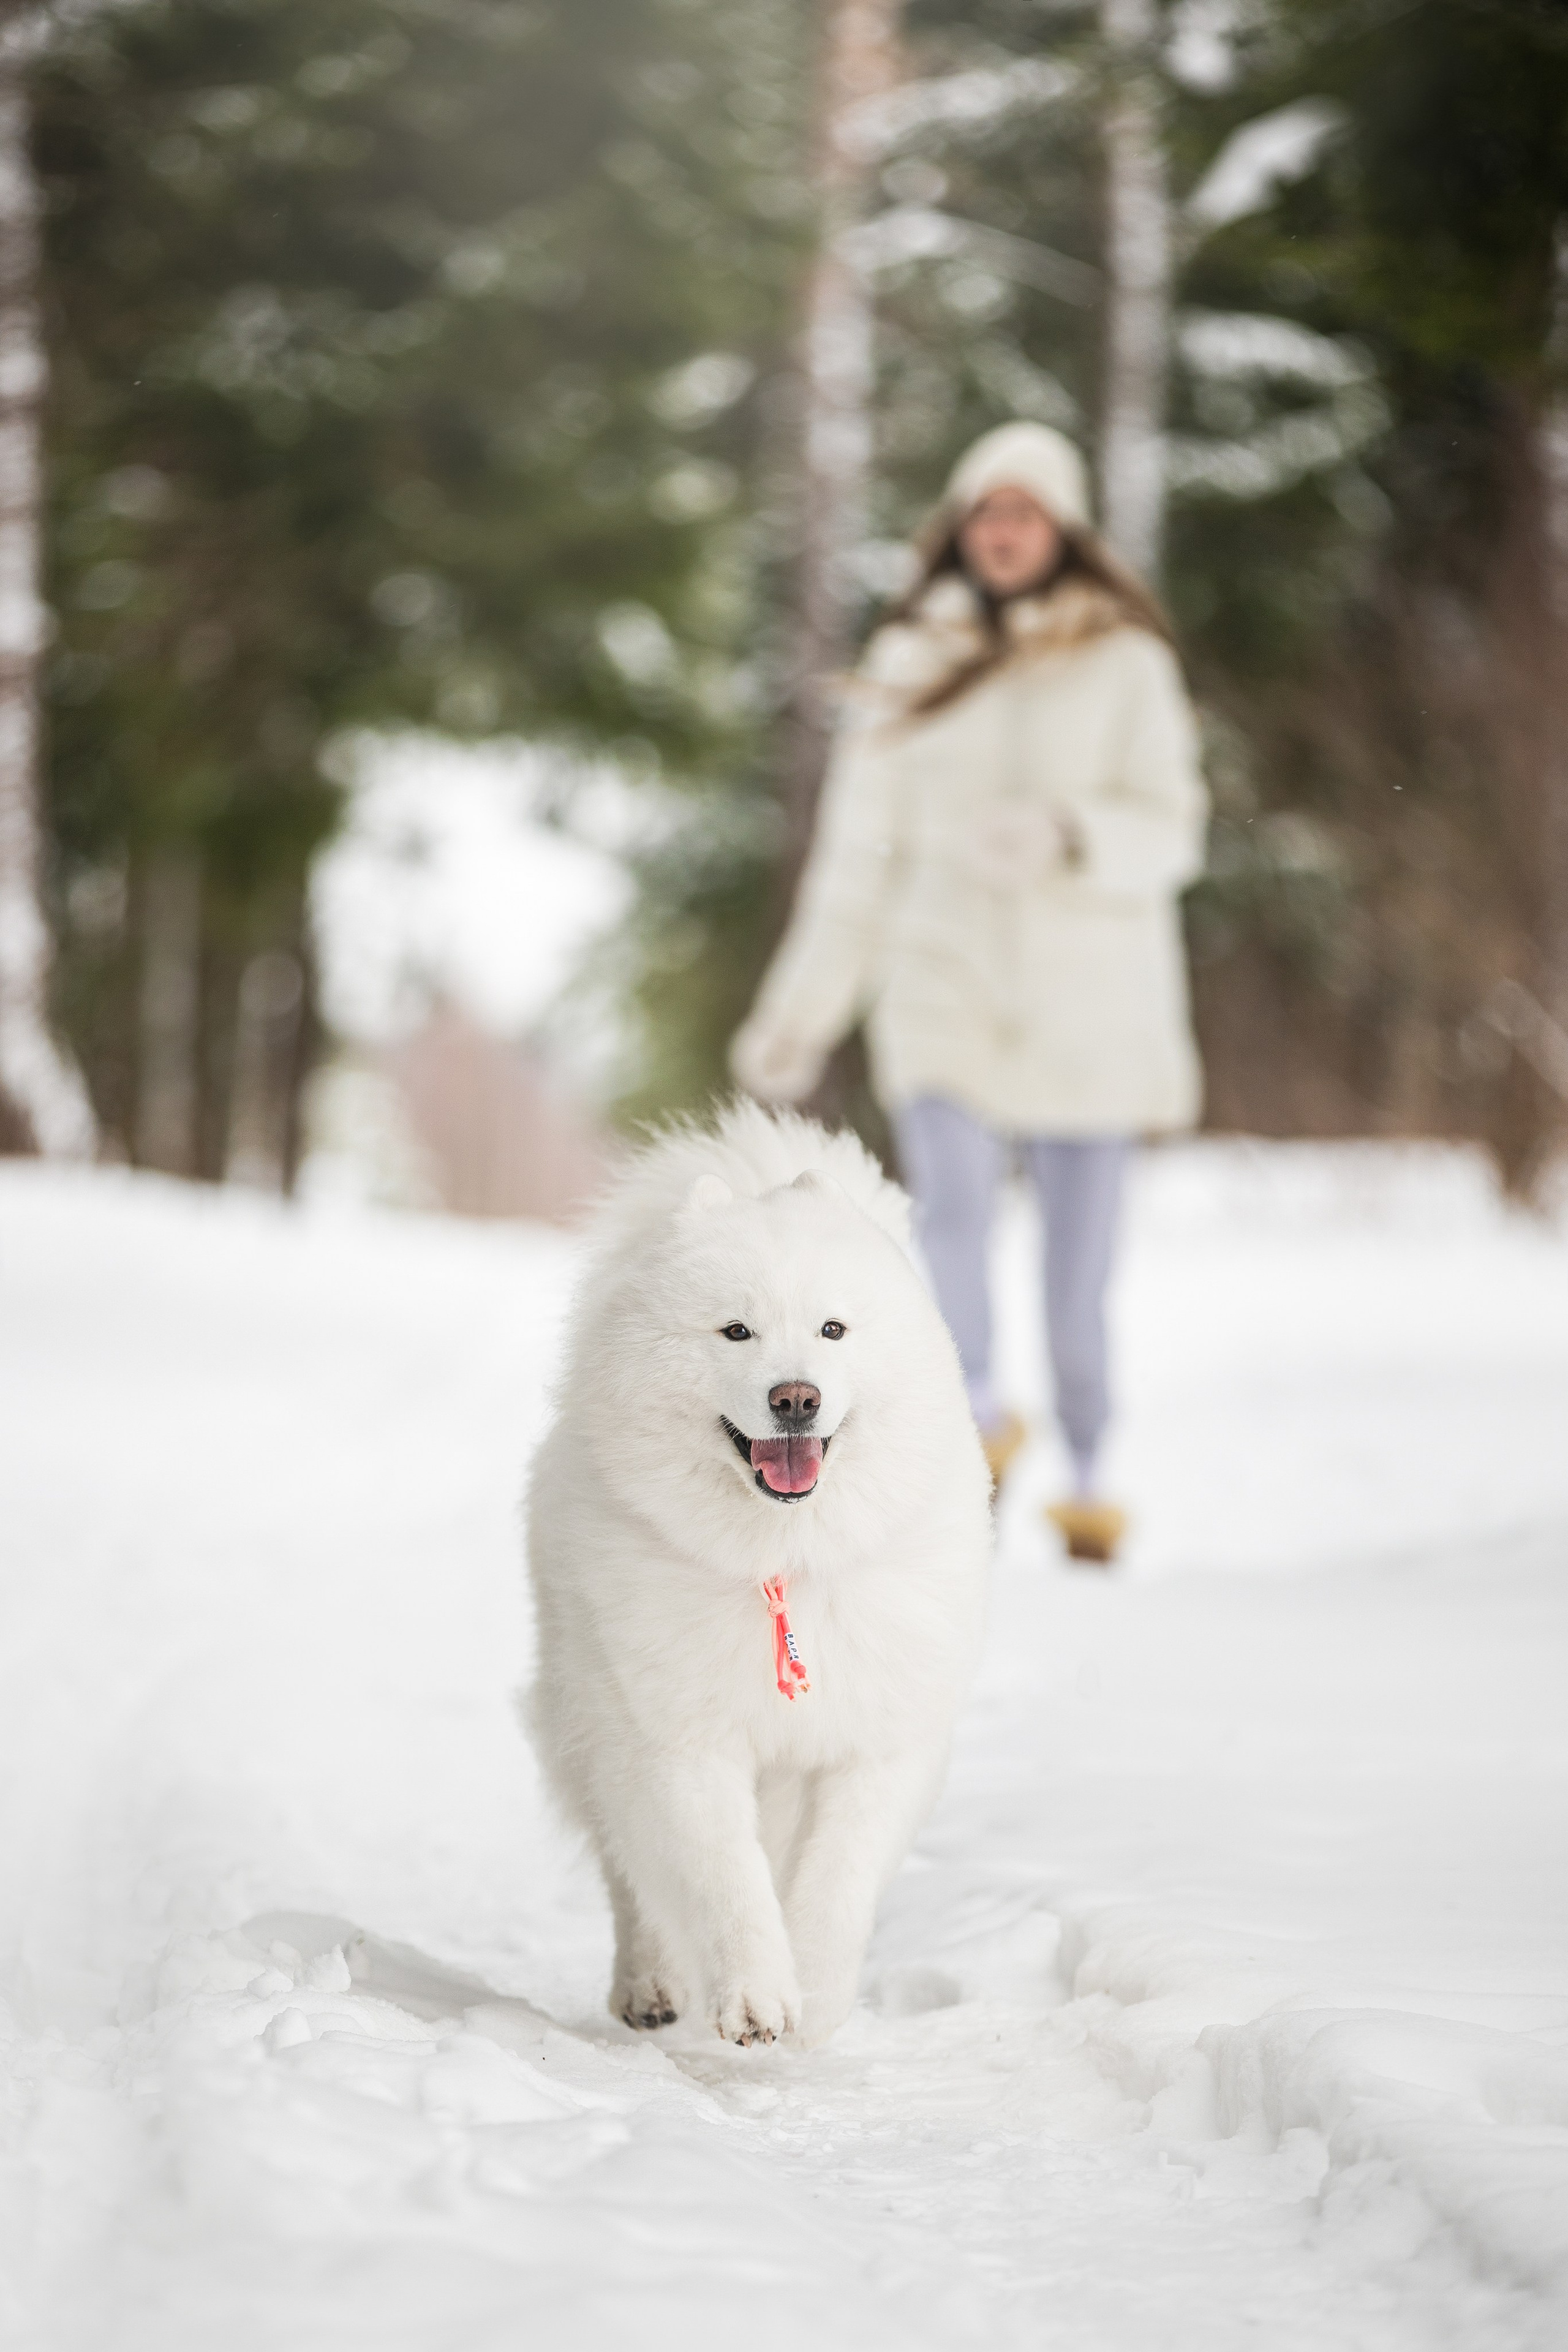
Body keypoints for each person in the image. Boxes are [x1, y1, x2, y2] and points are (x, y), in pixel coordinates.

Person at [729, 421, 1208, 1562]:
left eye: (1026, 514)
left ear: (1064, 533)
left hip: (1093, 1006)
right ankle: (973, 1417)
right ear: (959, 529)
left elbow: (1177, 832)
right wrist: (799, 1014)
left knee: (1078, 1272)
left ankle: (1089, 1467)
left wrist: (1066, 831)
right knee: (947, 1214)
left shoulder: (1128, 664)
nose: (1004, 535)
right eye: (987, 514)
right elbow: (856, 861)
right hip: (944, 987)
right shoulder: (909, 661)